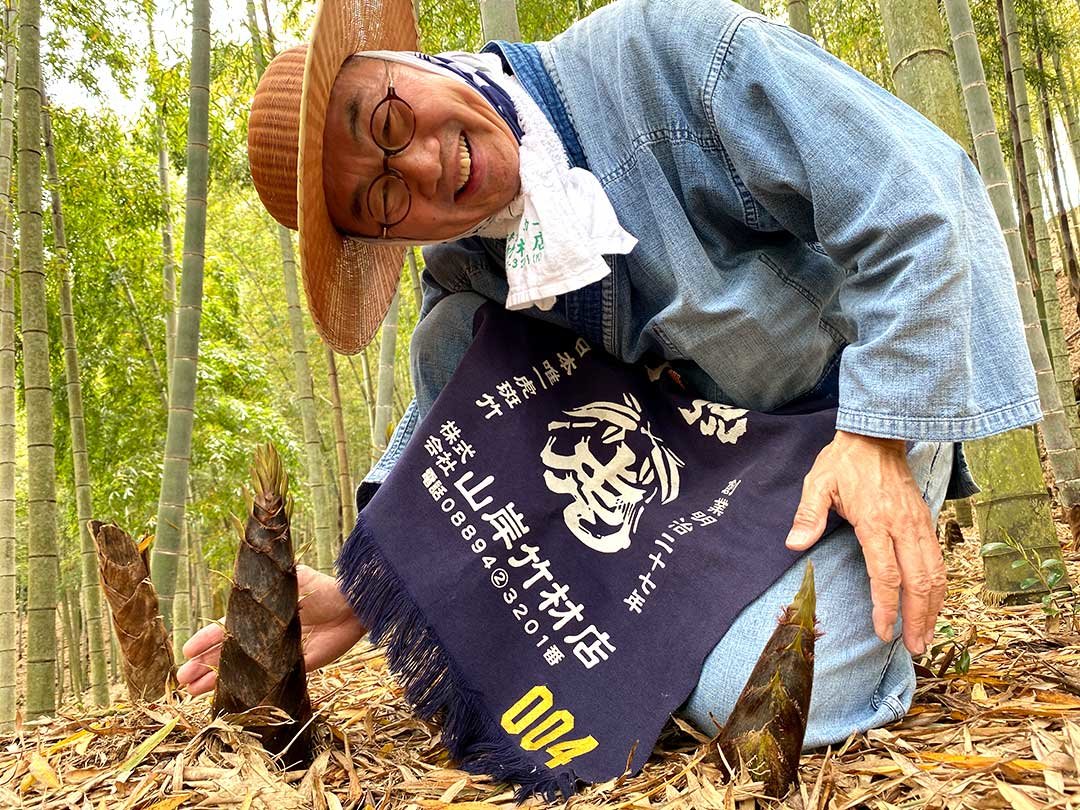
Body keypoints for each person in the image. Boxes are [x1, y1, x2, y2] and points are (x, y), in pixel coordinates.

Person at [179, 0, 1039, 750]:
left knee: (761, 695)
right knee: (456, 338)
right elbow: (454, 417)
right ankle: (677, 623)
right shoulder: (472, 260)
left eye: (389, 124)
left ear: (405, 61)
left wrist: (880, 431)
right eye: (382, 198)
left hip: (851, 414)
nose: (425, 169)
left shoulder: (670, 51)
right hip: (701, 480)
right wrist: (378, 579)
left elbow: (915, 195)